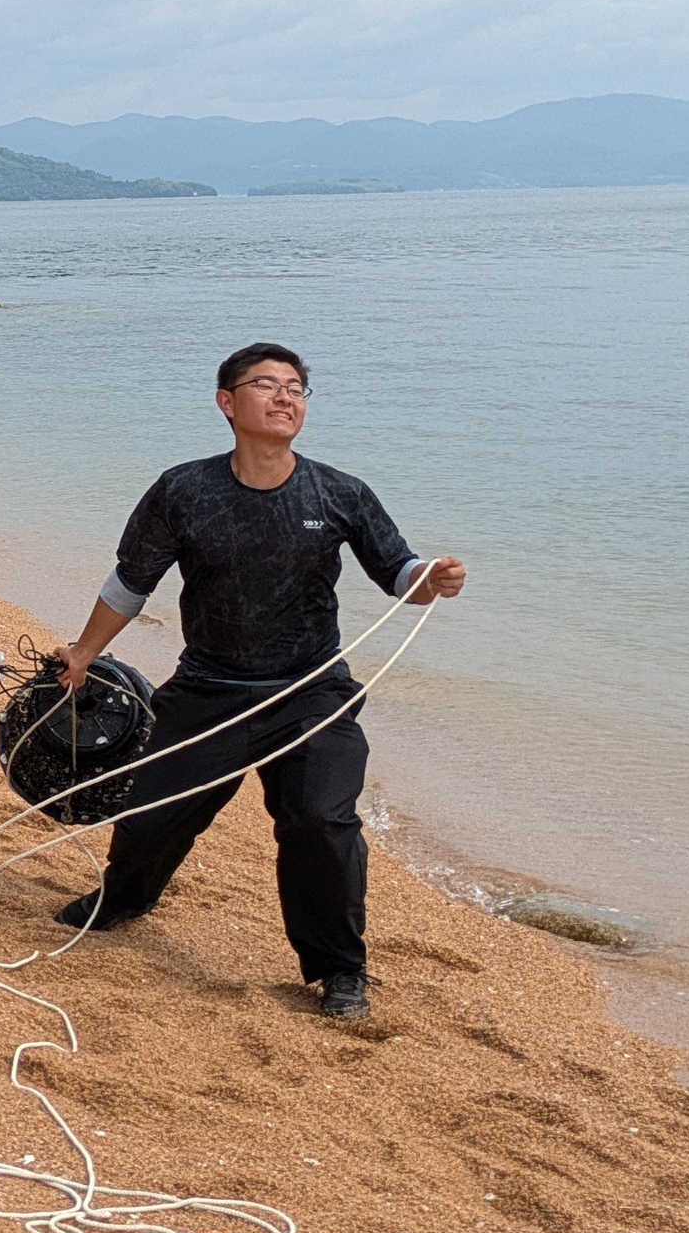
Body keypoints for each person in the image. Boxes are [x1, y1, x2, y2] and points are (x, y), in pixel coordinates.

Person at [44, 342, 465, 1021]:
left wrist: (432, 580)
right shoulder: (183, 490)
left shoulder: (338, 492)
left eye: (296, 387)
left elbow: (398, 574)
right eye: (265, 385)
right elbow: (130, 584)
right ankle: (121, 900)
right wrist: (85, 654)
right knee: (151, 816)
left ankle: (339, 971)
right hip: (210, 687)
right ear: (226, 402)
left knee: (319, 822)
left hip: (311, 693)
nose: (284, 397)